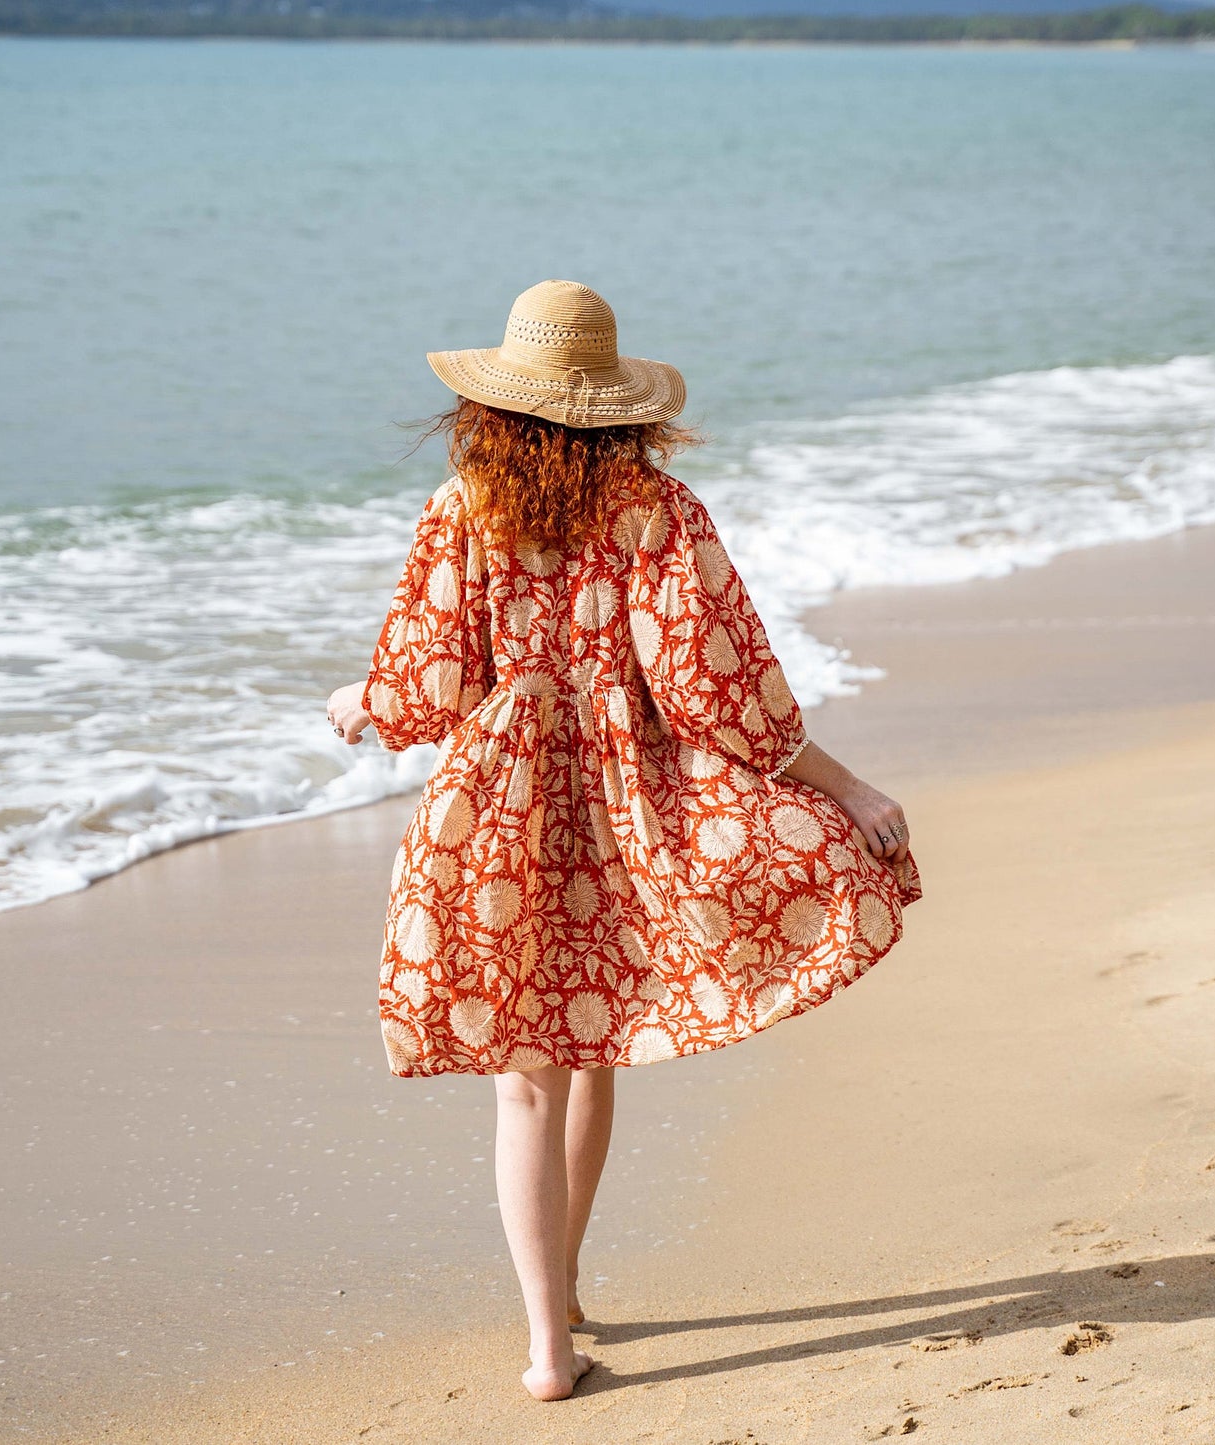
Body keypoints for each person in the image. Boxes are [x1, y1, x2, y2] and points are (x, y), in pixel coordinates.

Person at [326, 280, 922, 1402]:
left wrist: (358, 701)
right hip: (619, 803)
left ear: (494, 404)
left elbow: (426, 684)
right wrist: (840, 784)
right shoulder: (656, 509)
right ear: (616, 402)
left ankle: (547, 1342)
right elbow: (719, 691)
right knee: (598, 1034)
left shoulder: (463, 507)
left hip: (497, 805)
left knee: (523, 1084)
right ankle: (568, 1285)